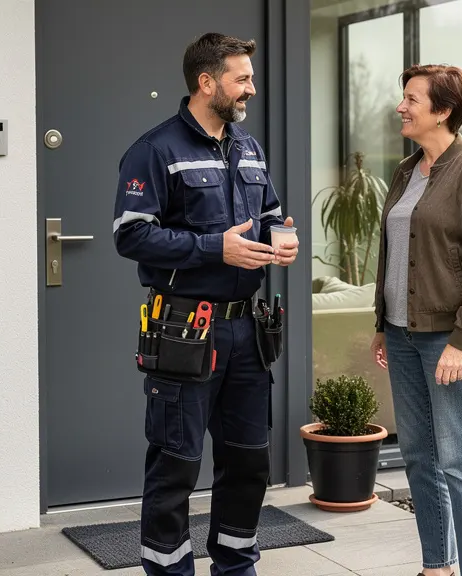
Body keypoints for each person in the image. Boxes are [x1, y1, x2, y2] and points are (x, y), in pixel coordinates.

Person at [112, 32, 298, 576]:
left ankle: (236, 567)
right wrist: (214, 247)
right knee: (176, 464)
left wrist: (279, 238)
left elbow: (269, 214)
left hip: (248, 336)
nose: (252, 89)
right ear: (206, 82)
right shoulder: (156, 149)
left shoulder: (248, 147)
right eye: (242, 79)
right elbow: (131, 236)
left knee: (247, 462)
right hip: (185, 331)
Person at [370, 64, 462, 576]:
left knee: (461, 462)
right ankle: (437, 567)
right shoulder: (407, 171)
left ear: (443, 111)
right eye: (403, 96)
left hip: (450, 340)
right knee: (418, 459)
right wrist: (383, 322)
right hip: (405, 336)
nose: (401, 107)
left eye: (412, 98)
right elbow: (393, 251)